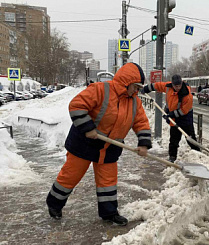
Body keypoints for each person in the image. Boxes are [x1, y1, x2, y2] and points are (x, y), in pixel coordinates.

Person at [46, 63, 152, 226]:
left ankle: (109, 213)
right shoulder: (101, 89)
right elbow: (76, 106)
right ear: (126, 82)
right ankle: (54, 203)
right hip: (85, 142)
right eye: (135, 86)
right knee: (71, 175)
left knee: (108, 182)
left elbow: (141, 123)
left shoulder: (135, 102)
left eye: (139, 88)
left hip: (110, 146)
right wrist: (88, 128)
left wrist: (144, 143)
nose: (136, 91)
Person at [142, 74, 200, 162]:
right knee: (173, 139)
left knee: (190, 137)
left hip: (185, 117)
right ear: (172, 85)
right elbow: (157, 85)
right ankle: (172, 157)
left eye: (179, 85)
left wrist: (172, 114)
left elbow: (184, 110)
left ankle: (199, 155)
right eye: (176, 86)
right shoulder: (168, 87)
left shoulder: (187, 94)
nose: (178, 87)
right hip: (174, 117)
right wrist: (147, 88)